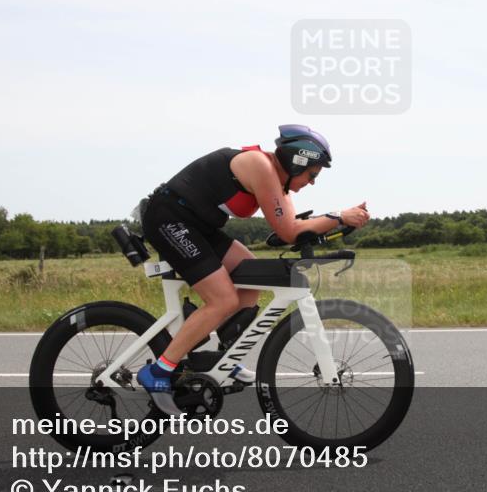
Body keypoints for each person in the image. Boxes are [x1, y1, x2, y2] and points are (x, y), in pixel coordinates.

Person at [136, 125, 369, 409]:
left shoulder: (277, 181)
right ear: (299, 160)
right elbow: (289, 230)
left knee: (249, 278)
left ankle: (221, 360)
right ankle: (158, 371)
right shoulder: (261, 167)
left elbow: (295, 227)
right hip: (170, 217)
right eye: (313, 173)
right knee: (222, 300)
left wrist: (338, 223)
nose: (313, 182)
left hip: (197, 225)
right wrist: (339, 215)